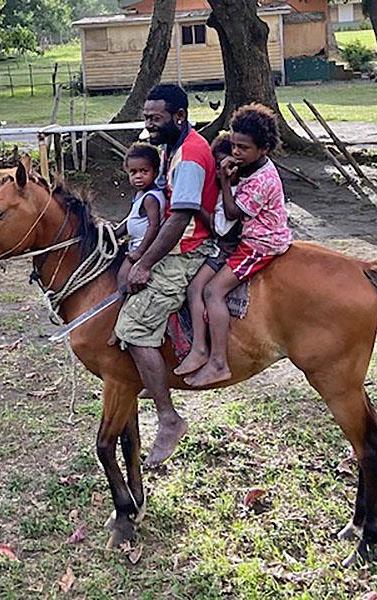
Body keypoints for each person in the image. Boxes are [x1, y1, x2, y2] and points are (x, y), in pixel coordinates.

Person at [114, 84, 219, 466]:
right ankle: (148, 374)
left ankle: (168, 417)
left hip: (189, 250)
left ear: (178, 116)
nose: (148, 125)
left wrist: (144, 262)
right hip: (174, 243)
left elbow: (180, 217)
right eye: (145, 118)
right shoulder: (171, 147)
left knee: (135, 327)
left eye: (154, 119)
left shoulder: (189, 154)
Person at [184, 103, 293, 388]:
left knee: (212, 290)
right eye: (233, 145)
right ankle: (197, 349)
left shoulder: (263, 180)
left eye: (243, 148)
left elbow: (232, 213)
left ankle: (219, 362)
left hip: (260, 243)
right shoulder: (249, 167)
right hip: (243, 237)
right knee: (197, 284)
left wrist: (223, 179)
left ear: (264, 149)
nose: (236, 152)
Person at [174, 133, 242, 376]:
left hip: (226, 248)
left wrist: (192, 205)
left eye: (229, 166)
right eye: (220, 167)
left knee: (198, 289)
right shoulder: (224, 185)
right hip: (218, 243)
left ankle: (203, 350)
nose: (224, 171)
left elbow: (221, 227)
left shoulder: (233, 190)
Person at [112, 143, 167, 296]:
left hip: (144, 250)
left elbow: (154, 226)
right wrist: (114, 233)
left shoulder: (150, 198)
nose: (138, 176)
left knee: (123, 278)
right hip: (136, 246)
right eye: (133, 172)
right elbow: (131, 218)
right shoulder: (141, 194)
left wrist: (139, 252)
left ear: (155, 172)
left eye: (144, 171)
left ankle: (128, 309)